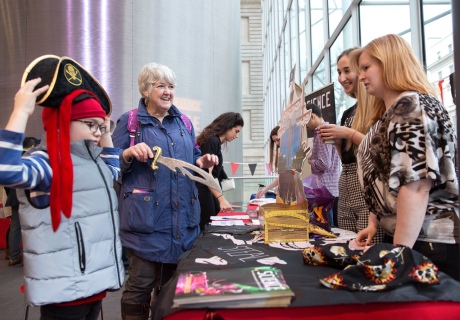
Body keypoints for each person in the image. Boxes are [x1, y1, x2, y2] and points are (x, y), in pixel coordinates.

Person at [0, 55, 124, 319]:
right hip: (64, 293)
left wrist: (105, 128)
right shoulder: (46, 162)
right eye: (89, 124)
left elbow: (113, 169)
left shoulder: (94, 162)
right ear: (63, 121)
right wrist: (21, 111)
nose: (96, 132)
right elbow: (6, 170)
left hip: (94, 287)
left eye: (100, 126)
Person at [112, 62, 218, 320]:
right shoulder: (130, 122)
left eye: (171, 86)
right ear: (146, 90)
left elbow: (191, 157)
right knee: (139, 288)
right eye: (161, 86)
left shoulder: (184, 122)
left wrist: (201, 162)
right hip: (146, 223)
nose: (168, 91)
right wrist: (127, 153)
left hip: (183, 222)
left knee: (174, 290)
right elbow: (111, 161)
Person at [352, 34, 459, 280]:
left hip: (427, 242)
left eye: (366, 68)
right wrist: (375, 223)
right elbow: (386, 177)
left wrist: (398, 255)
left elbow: (416, 186)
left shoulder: (412, 107)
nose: (361, 77)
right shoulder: (394, 111)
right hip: (410, 238)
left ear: (389, 63)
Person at [318, 48, 384, 243]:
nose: (341, 78)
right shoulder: (348, 113)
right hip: (345, 182)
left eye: (347, 71)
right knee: (347, 244)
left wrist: (348, 133)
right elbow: (347, 158)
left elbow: (379, 151)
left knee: (368, 246)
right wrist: (338, 142)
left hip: (367, 184)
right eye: (339, 72)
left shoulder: (378, 107)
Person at [196, 112, 244, 230]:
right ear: (227, 126)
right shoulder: (212, 141)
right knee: (208, 225)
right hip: (204, 190)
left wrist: (222, 200)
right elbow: (208, 175)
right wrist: (221, 199)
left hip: (208, 190)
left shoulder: (214, 141)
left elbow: (214, 175)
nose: (236, 136)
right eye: (236, 131)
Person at [4, 136, 39, 267]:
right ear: (32, 146)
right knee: (30, 227)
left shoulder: (14, 159)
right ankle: (27, 259)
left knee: (15, 227)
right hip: (29, 199)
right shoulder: (33, 158)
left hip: (14, 198)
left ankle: (13, 256)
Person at [306, 103, 341, 227]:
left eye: (306, 121)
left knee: (327, 229)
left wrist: (309, 162)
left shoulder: (321, 132)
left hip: (325, 191)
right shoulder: (327, 129)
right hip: (330, 188)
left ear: (313, 116)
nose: (306, 126)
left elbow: (325, 163)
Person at [256, 126, 280, 198]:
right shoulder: (280, 151)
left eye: (278, 140)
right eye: (275, 141)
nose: (277, 143)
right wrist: (266, 189)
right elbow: (281, 177)